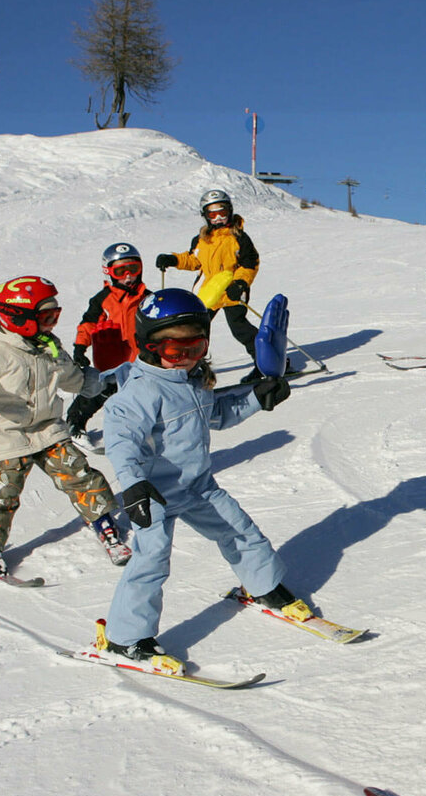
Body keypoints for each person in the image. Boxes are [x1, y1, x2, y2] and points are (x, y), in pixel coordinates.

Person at [96, 288, 308, 672]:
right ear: (149, 346)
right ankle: (124, 638)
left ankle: (264, 587)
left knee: (240, 530)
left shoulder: (192, 380)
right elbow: (121, 437)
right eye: (177, 352)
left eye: (196, 349)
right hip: (152, 494)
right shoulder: (142, 391)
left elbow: (218, 413)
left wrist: (258, 397)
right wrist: (132, 483)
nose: (188, 360)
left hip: (198, 487)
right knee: (151, 561)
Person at [0, 276, 130, 572]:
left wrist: (107, 382)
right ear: (19, 318)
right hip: (8, 432)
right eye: (46, 317)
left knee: (79, 473)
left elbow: (74, 378)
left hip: (47, 427)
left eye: (56, 316)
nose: (52, 323)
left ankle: (103, 520)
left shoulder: (48, 347)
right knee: (4, 489)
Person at [155, 189, 267, 383]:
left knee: (240, 328)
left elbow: (250, 263)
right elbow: (193, 260)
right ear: (205, 216)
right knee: (195, 332)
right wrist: (173, 259)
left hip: (232, 291)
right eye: (212, 214)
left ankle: (266, 363)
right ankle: (191, 370)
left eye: (222, 212)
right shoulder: (202, 239)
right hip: (208, 293)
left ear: (230, 211)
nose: (218, 218)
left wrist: (240, 283)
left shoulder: (239, 237)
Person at [66, 242, 150, 438]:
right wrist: (80, 348)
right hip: (113, 359)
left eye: (134, 269)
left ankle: (141, 430)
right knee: (101, 389)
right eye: (121, 271)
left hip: (143, 360)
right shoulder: (103, 300)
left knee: (143, 396)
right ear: (108, 273)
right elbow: (88, 325)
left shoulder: (148, 298)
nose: (129, 276)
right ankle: (75, 420)